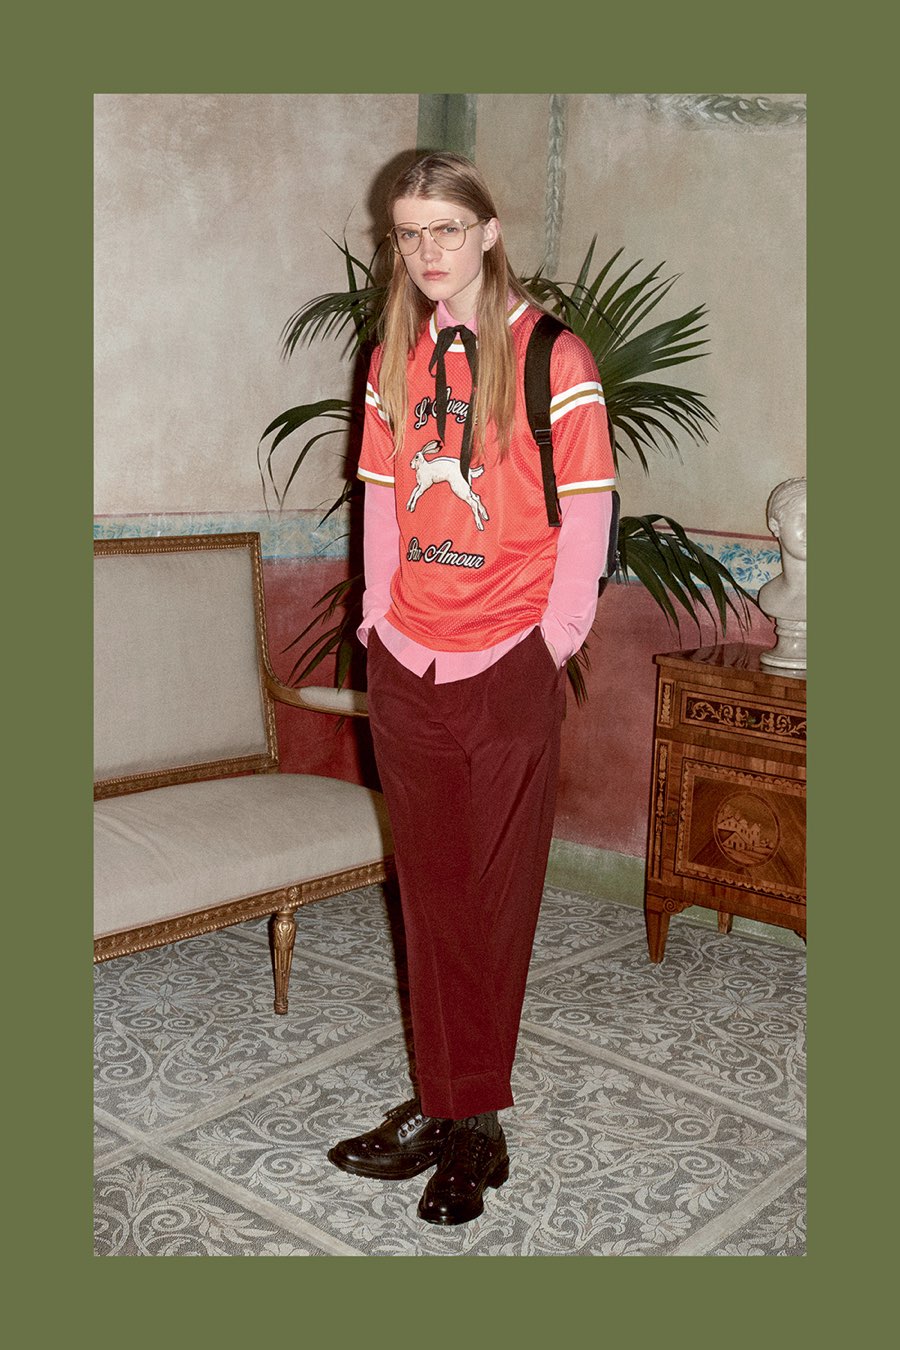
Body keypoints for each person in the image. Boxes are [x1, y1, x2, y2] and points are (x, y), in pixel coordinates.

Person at [326, 152, 616, 1226]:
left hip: (506, 662)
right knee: (431, 896)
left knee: (496, 902)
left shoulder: (554, 358)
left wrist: (553, 640)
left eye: (446, 228)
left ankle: (471, 1125)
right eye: (409, 233)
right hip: (409, 659)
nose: (427, 251)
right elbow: (382, 500)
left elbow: (589, 514)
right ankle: (450, 1106)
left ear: (490, 232)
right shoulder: (391, 356)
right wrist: (376, 621)